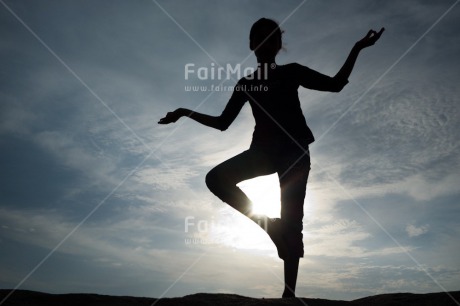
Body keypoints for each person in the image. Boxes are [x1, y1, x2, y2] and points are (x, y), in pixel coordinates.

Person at [159, 18, 384, 298]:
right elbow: (222, 123)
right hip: (262, 152)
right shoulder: (246, 84)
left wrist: (358, 48)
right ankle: (269, 226)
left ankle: (289, 294)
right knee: (215, 178)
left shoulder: (292, 72)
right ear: (252, 45)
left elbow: (336, 84)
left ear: (279, 45)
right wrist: (183, 111)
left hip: (294, 151)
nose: (266, 43)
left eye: (272, 38)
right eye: (260, 38)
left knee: (293, 221)